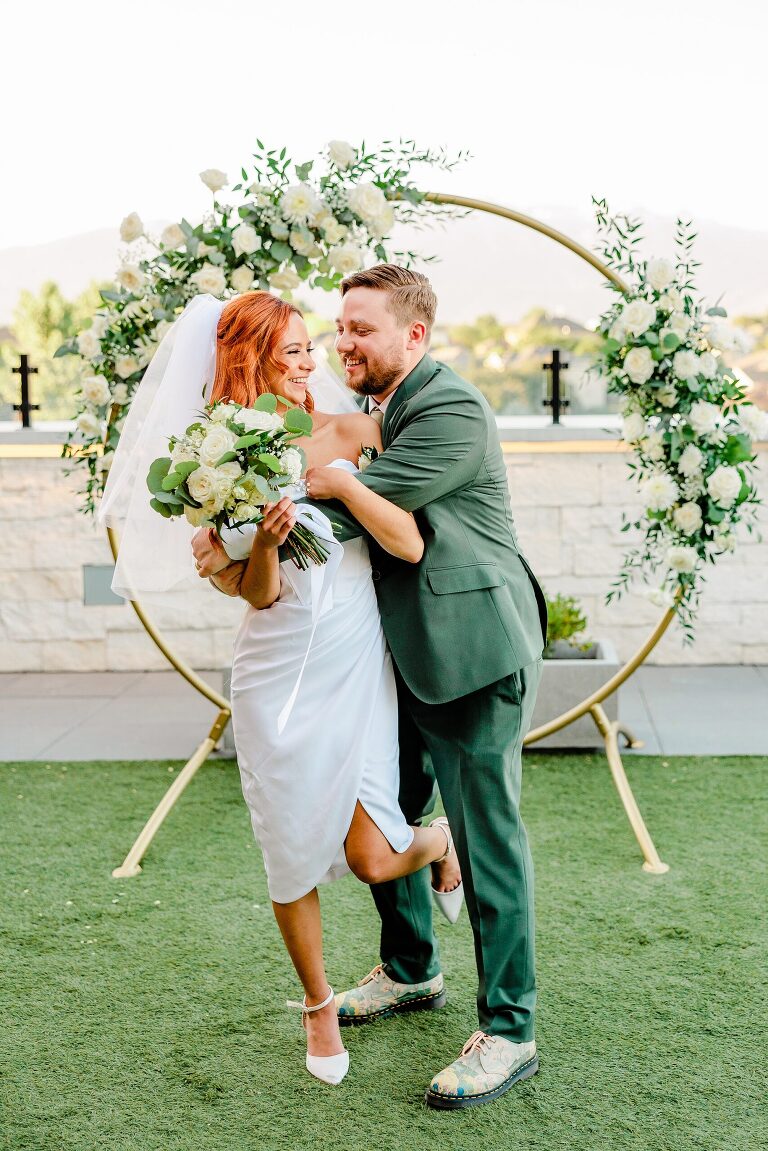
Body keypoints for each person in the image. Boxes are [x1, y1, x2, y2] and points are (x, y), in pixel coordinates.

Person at [198, 266, 548, 1110]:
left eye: (362, 329)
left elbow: (349, 513)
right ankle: (410, 969)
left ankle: (509, 1030)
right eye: (340, 328)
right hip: (390, 657)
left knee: (487, 836)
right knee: (386, 813)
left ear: (415, 337)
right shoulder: (379, 410)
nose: (343, 343)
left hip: (468, 652)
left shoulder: (451, 408)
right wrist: (238, 533)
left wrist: (238, 533)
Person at [149, 291, 461, 1089]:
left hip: (355, 664)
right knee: (289, 853)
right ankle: (318, 1005)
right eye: (290, 350)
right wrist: (261, 544)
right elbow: (256, 594)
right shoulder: (213, 459)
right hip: (274, 673)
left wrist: (343, 487)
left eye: (307, 347)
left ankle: (436, 843)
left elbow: (411, 533)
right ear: (251, 357)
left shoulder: (354, 430)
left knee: (370, 856)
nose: (308, 360)